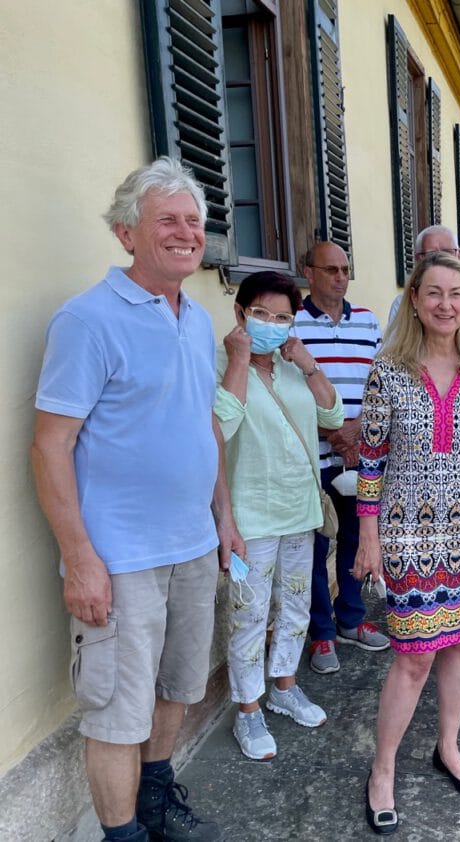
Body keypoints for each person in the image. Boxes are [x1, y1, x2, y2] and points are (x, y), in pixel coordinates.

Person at [31, 157, 243, 842]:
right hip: (121, 559)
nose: (186, 233)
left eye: (194, 222)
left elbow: (203, 425)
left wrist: (224, 518)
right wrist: (80, 559)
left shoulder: (193, 319)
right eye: (168, 221)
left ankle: (157, 810)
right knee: (118, 713)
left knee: (178, 690)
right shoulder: (88, 320)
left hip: (191, 544)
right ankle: (121, 837)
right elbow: (50, 445)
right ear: (127, 233)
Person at [353, 252, 460, 834]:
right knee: (413, 656)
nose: (446, 304)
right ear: (415, 301)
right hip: (408, 531)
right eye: (434, 293)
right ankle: (383, 769)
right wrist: (368, 536)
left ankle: (448, 746)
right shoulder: (388, 369)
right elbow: (370, 459)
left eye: (457, 294)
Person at [215, 272, 347, 760]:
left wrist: (309, 365)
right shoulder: (220, 365)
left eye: (283, 317)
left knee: (296, 608)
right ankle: (248, 711)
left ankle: (285, 686)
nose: (272, 324)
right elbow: (222, 426)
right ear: (240, 314)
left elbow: (332, 417)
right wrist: (237, 360)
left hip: (299, 511)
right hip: (250, 516)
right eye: (262, 315)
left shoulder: (292, 367)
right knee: (248, 616)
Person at [294, 242, 388, 675]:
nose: (340, 277)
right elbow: (289, 389)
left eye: (345, 269)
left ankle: (351, 618)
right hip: (311, 455)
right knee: (315, 547)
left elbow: (383, 383)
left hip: (359, 455)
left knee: (356, 538)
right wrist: (333, 431)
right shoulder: (291, 324)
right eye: (330, 269)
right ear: (308, 272)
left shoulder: (367, 321)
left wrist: (355, 433)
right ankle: (322, 634)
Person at [386, 225, 460, 325]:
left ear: (459, 255)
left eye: (447, 252)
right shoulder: (402, 303)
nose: (440, 259)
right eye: (432, 254)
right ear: (419, 258)